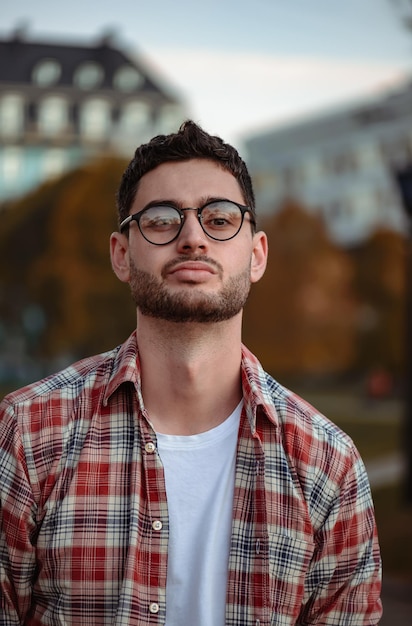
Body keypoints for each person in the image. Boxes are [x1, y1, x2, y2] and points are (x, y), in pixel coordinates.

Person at [0, 120, 382, 625]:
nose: (193, 238)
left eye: (220, 218)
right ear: (121, 253)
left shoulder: (329, 469)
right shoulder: (26, 435)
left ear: (257, 254)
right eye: (161, 220)